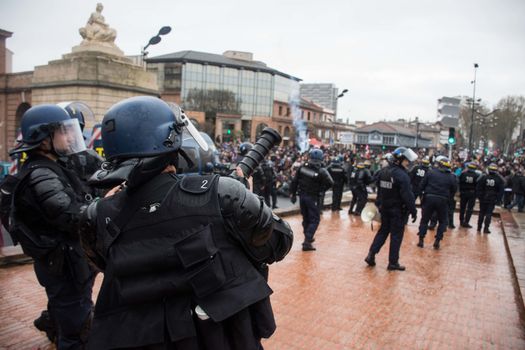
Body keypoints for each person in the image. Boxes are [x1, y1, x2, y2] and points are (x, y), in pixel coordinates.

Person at [79, 96, 293, 349]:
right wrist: (248, 197)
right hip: (219, 337)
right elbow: (279, 243)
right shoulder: (225, 195)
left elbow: (105, 262)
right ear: (171, 142)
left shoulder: (95, 214)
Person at [8, 104, 95, 349]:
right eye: (63, 131)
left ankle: (55, 326)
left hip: (67, 263)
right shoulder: (41, 175)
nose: (69, 137)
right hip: (63, 265)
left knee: (71, 314)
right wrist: (106, 205)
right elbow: (71, 217)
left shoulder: (54, 166)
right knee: (76, 332)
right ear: (44, 139)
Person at [364, 147, 417, 271]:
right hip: (397, 211)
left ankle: (371, 254)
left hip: (384, 208)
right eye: (406, 160)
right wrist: (413, 210)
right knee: (396, 236)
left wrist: (379, 205)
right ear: (399, 160)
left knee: (382, 232)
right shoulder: (402, 175)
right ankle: (393, 262)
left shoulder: (383, 171)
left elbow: (380, 191)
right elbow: (407, 195)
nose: (408, 163)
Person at [290, 148, 334, 251]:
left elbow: (294, 181)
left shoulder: (302, 167)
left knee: (306, 218)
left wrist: (292, 194)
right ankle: (307, 241)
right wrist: (321, 190)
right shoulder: (321, 170)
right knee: (315, 219)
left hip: (302, 196)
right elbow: (330, 182)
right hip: (312, 198)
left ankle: (308, 237)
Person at [417, 156, 457, 249]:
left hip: (429, 198)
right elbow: (454, 190)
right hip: (443, 200)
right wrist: (448, 198)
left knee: (424, 220)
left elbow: (421, 185)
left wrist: (422, 196)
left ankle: (421, 240)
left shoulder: (430, 173)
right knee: (442, 221)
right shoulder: (452, 177)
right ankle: (437, 241)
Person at [476, 163, 504, 233]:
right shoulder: (498, 179)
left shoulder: (484, 177)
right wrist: (498, 200)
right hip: (492, 198)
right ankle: (486, 228)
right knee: (489, 214)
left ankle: (479, 227)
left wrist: (479, 197)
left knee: (481, 213)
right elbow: (501, 190)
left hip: (483, 197)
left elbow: (478, 187)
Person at [459, 161, 480, 228]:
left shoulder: (463, 174)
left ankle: (461, 221)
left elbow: (459, 182)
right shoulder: (477, 175)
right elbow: (478, 185)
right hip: (472, 193)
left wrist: (460, 191)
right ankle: (466, 222)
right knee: (470, 209)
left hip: (463, 193)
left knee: (462, 207)